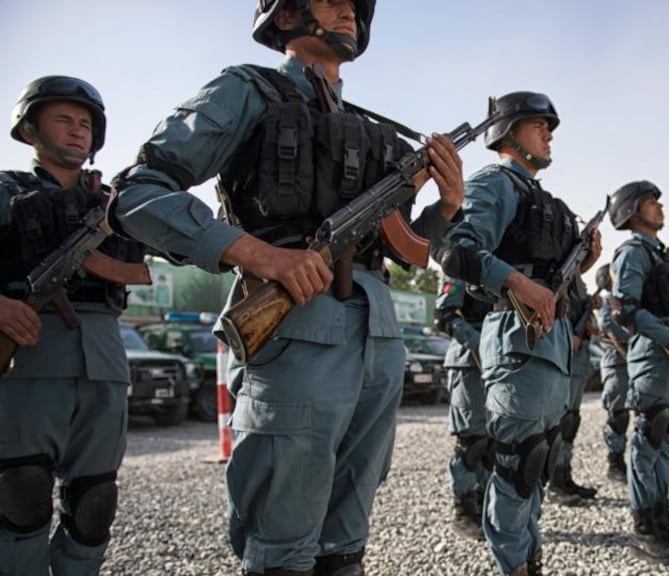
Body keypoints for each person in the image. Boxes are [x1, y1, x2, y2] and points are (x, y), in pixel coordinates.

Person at [111, 2, 467, 574]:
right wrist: (260, 254)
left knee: (345, 541)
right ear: (284, 15)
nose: (348, 10)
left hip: (378, 336)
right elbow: (139, 192)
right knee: (281, 538)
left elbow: (410, 251)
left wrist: (446, 207)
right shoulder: (247, 91)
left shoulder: (371, 130)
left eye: (354, 5)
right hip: (293, 325)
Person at [438, 90, 601, 575]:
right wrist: (518, 283)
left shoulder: (542, 198)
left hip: (550, 344)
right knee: (517, 463)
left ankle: (529, 561)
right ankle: (512, 562)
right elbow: (457, 252)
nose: (549, 135)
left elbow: (550, 280)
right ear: (508, 134)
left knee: (537, 463)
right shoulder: (494, 183)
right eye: (538, 125)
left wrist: (582, 264)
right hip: (516, 338)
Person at [0, 75, 146, 576]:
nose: (77, 129)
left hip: (104, 358)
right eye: (63, 119)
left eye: (85, 123)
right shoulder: (7, 192)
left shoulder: (117, 204)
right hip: (28, 354)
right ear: (30, 131)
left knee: (95, 501)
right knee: (20, 495)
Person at [608, 181, 669, 565]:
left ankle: (662, 520)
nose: (660, 207)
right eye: (651, 202)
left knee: (663, 442)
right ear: (632, 211)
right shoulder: (632, 253)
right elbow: (625, 311)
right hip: (652, 355)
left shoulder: (659, 255)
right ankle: (643, 529)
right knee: (647, 441)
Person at [434, 276, 493, 540]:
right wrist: (478, 343)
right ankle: (464, 511)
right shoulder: (461, 263)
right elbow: (445, 315)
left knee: (492, 443)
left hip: (500, 359)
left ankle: (485, 505)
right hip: (469, 360)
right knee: (472, 442)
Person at [548, 285, 600, 504]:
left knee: (571, 421)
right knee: (561, 422)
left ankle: (564, 475)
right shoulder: (557, 282)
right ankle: (554, 482)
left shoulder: (579, 290)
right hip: (562, 356)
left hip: (578, 360)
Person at [594, 263, 631, 482]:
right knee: (617, 414)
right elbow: (607, 322)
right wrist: (633, 339)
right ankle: (615, 462)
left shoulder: (623, 301)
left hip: (629, 362)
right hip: (616, 362)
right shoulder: (609, 301)